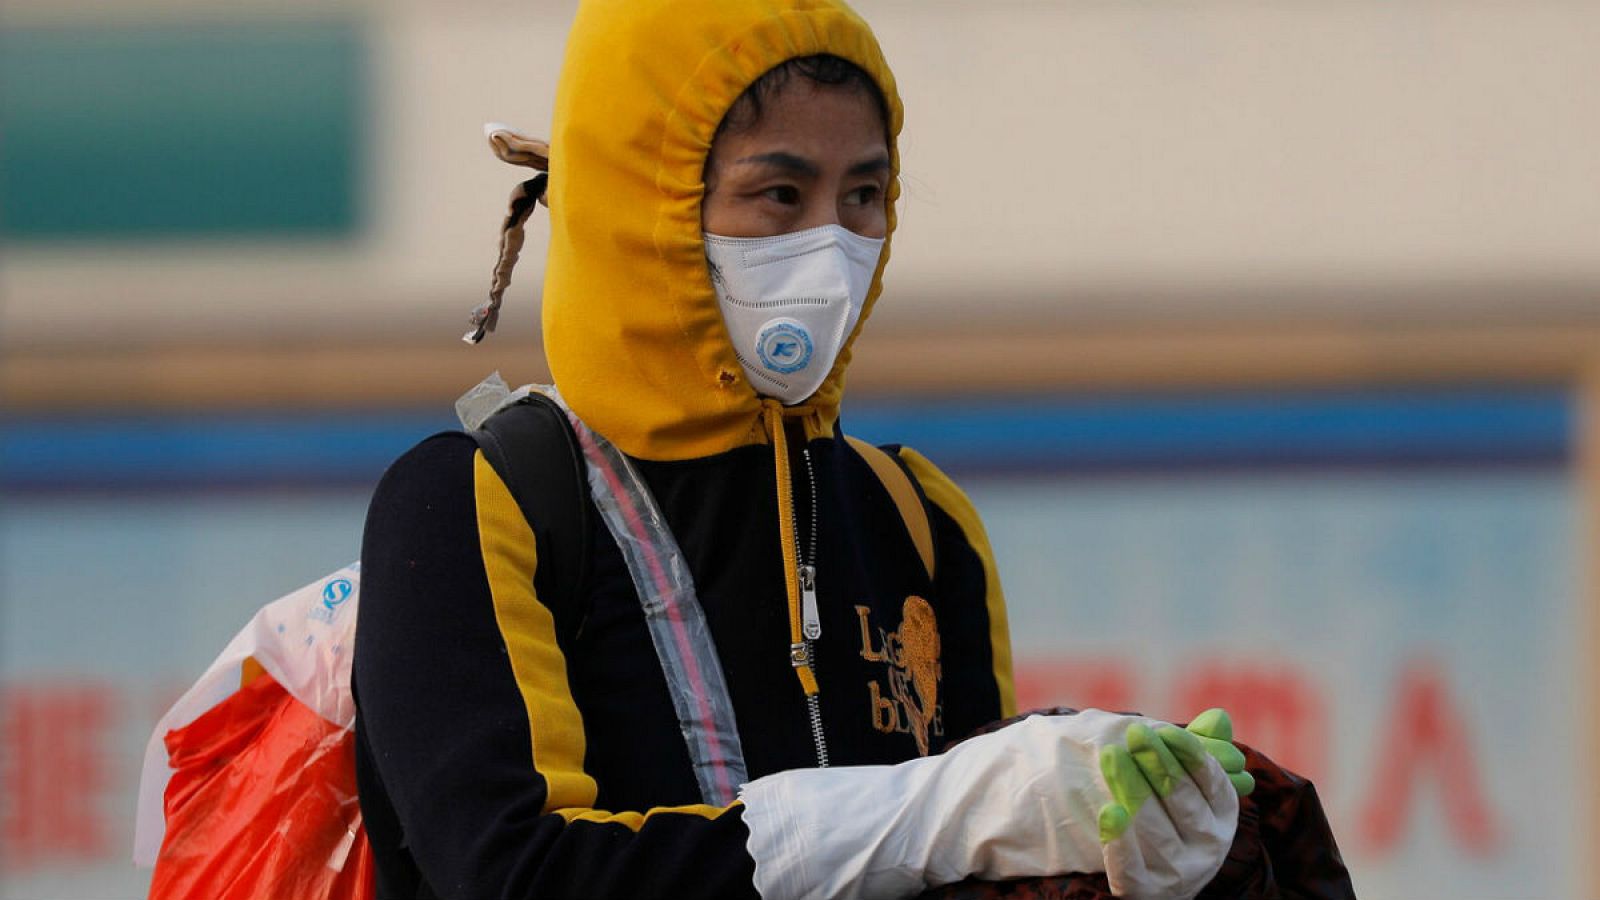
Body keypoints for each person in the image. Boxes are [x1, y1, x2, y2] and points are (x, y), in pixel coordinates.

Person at [352, 1, 1254, 898]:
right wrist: (927, 814)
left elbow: (971, 866)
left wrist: (1114, 847)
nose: (830, 246)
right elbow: (512, 874)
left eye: (861, 195)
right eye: (780, 194)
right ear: (636, 202)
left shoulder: (920, 516)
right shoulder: (475, 502)